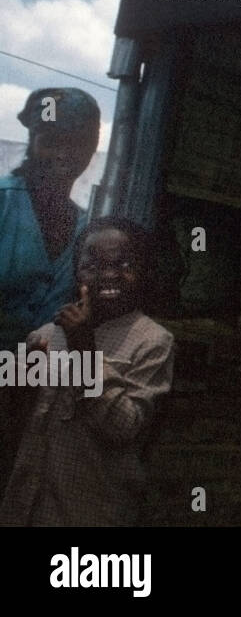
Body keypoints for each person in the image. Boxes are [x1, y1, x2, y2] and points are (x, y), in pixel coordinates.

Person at [0, 216, 174, 526]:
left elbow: (124, 428)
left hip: (91, 511)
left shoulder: (153, 341)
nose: (107, 275)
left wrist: (83, 346)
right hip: (27, 507)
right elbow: (13, 422)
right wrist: (16, 384)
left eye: (123, 265)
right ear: (76, 272)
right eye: (91, 266)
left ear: (144, 271)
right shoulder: (45, 334)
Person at [0, 87, 100, 486]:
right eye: (51, 140)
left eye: (76, 143)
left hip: (30, 403)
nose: (63, 154)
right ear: (31, 140)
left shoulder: (87, 229)